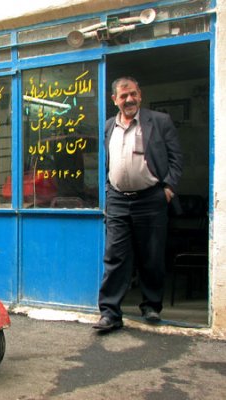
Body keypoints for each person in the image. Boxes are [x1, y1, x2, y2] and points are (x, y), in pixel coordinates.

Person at [93, 77, 183, 332]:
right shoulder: (109, 126)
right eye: (123, 96)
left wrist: (168, 188)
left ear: (140, 95)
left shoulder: (159, 121)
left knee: (151, 256)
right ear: (115, 100)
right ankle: (110, 313)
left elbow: (176, 158)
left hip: (151, 199)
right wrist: (109, 191)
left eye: (132, 94)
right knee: (115, 257)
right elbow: (108, 162)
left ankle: (151, 306)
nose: (129, 99)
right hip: (119, 199)